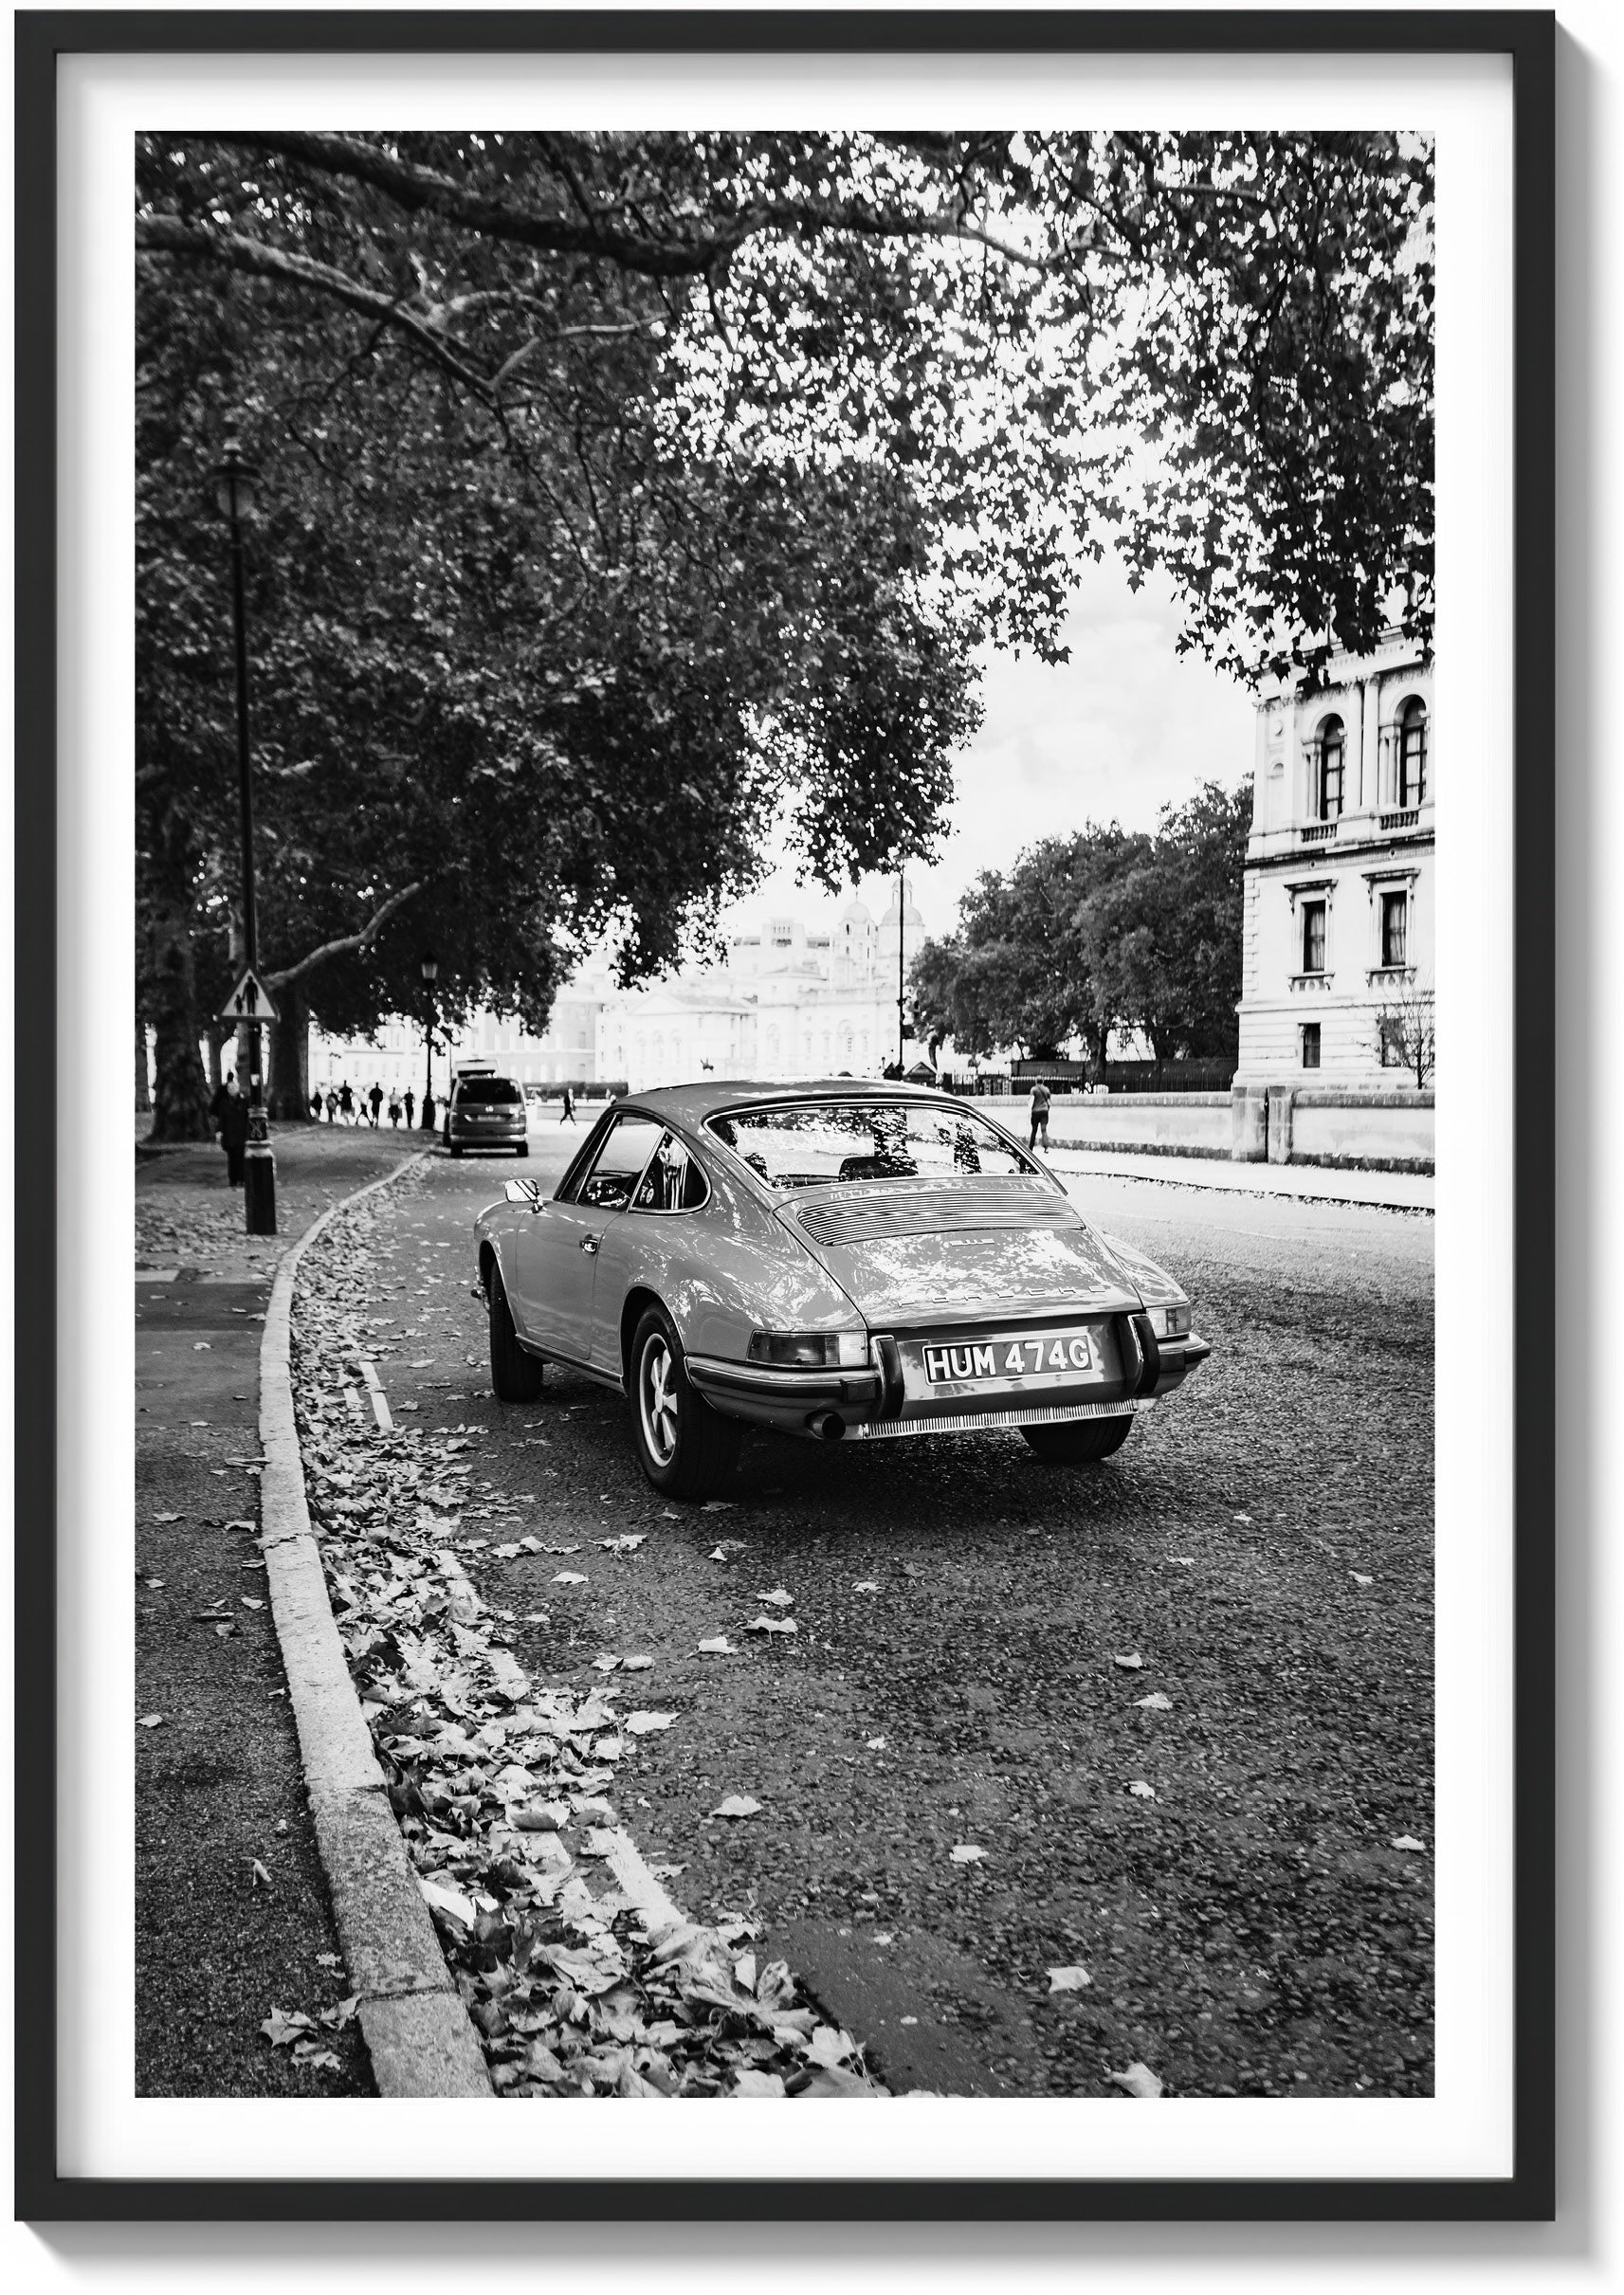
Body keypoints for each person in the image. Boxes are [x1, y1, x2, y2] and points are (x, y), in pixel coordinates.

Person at [210, 1070, 249, 1186]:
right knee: (232, 1158)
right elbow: (221, 1118)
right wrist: (219, 1131)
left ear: (238, 1088)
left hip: (240, 1133)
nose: (232, 1090)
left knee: (240, 1156)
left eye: (234, 1088)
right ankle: (233, 1179)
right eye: (230, 1088)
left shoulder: (244, 1101)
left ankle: (241, 1178)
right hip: (229, 1133)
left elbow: (247, 1116)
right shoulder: (224, 1103)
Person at [1029, 1077, 1051, 1154]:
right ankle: (1046, 1148)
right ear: (1042, 1081)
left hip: (1035, 1112)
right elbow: (1049, 1102)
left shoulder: (1034, 1089)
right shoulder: (1046, 1089)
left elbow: (1031, 1100)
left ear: (1036, 1081)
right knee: (1044, 1130)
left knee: (1034, 1130)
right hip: (1044, 1112)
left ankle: (1030, 1148)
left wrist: (1029, 1111)